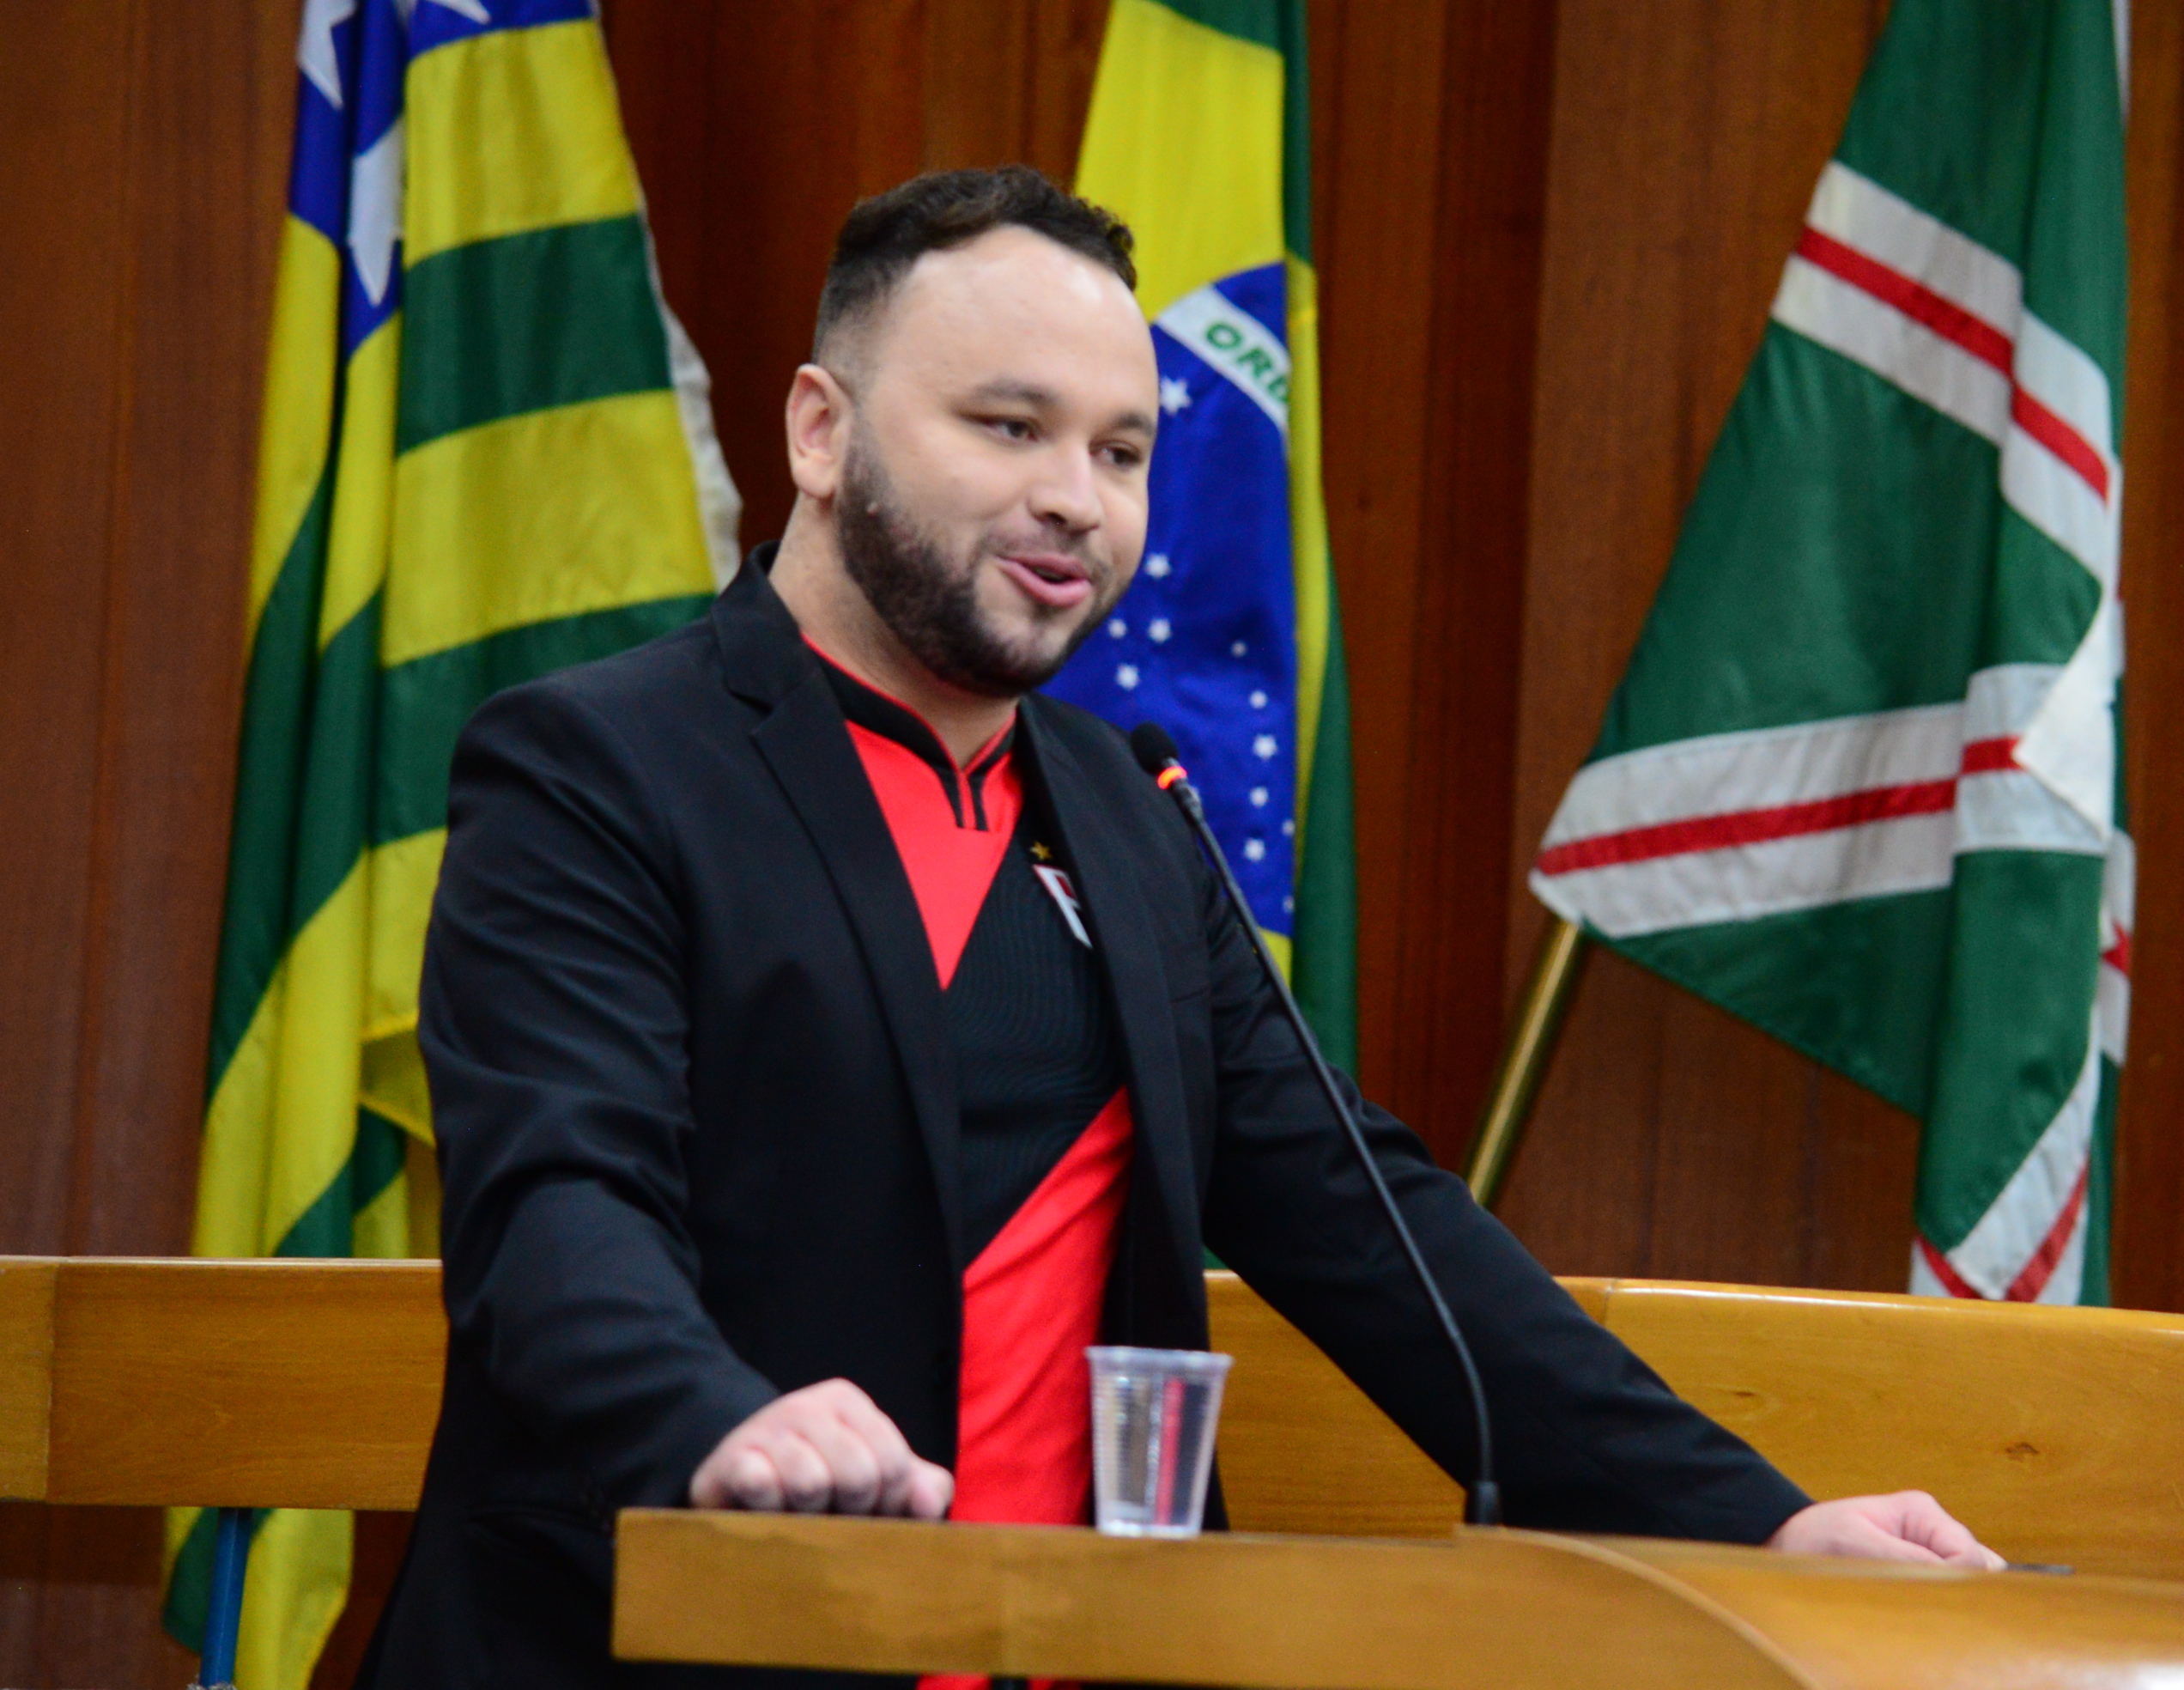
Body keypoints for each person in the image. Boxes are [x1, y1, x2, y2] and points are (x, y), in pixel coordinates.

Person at [358, 167, 1999, 1689]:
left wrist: (1763, 1523)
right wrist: (719, 1423)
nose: (1076, 499)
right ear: (819, 431)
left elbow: (1378, 1229)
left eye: (1122, 452)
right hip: (674, 1642)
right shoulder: (592, 765)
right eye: (1010, 426)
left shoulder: (1133, 811)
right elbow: (559, 1201)